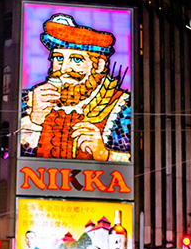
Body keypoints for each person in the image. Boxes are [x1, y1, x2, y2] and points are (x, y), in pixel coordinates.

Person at [20, 13, 130, 161]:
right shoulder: (28, 101)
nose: (64, 68)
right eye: (58, 58)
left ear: (100, 66)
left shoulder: (123, 107)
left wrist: (105, 154)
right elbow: (7, 155)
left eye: (76, 59)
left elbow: (140, 162)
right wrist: (34, 121)